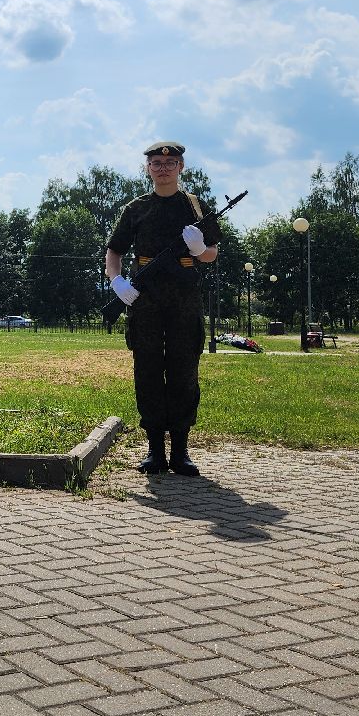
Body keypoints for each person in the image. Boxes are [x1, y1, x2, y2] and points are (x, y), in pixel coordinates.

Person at [104, 141, 221, 476]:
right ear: (148, 169)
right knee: (149, 370)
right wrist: (117, 282)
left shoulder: (196, 207)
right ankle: (155, 450)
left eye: (170, 163)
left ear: (181, 167)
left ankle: (180, 452)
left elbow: (212, 253)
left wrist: (199, 249)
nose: (163, 168)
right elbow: (114, 252)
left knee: (184, 371)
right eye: (156, 163)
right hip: (146, 299)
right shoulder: (135, 208)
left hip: (184, 296)